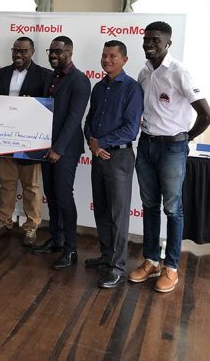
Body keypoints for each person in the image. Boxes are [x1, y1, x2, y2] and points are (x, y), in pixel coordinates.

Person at [128, 21, 210, 293]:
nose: (149, 44)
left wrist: (186, 138)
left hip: (172, 148)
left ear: (168, 43)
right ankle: (151, 260)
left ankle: (171, 267)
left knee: (172, 209)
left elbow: (207, 115)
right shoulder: (144, 72)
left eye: (155, 40)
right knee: (150, 205)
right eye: (146, 40)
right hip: (146, 145)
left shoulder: (179, 72)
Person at [83, 40, 143, 288]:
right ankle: (107, 256)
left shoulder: (132, 88)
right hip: (99, 156)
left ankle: (117, 267)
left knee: (118, 214)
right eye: (104, 55)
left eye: (113, 56)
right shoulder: (98, 87)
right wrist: (92, 143)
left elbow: (131, 129)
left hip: (119, 157)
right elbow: (89, 121)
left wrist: (102, 143)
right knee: (102, 210)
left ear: (125, 60)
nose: (107, 60)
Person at [0, 36, 52, 246]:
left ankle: (31, 226)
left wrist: (31, 105)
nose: (18, 55)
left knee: (31, 186)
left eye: (23, 51)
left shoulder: (45, 75)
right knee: (6, 183)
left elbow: (48, 109)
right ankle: (3, 221)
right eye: (15, 50)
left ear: (32, 52)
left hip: (30, 141)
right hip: (4, 139)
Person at [32, 35, 90, 269]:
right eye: (51, 51)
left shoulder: (80, 81)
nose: (54, 55)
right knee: (52, 196)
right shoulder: (50, 77)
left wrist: (58, 149)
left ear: (70, 53)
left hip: (64, 149)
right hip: (46, 146)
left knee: (64, 197)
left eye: (59, 51)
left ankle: (71, 248)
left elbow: (74, 118)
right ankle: (56, 240)